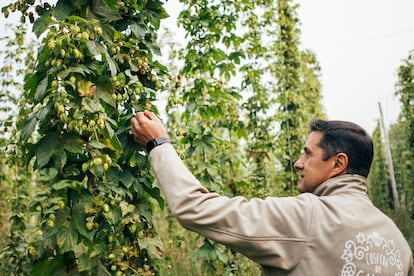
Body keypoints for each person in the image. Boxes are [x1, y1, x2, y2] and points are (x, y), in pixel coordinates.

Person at [131, 110, 413, 275]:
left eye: (308, 154)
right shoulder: (397, 241)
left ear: (338, 163)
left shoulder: (308, 216)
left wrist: (159, 144)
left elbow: (195, 207)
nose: (298, 163)